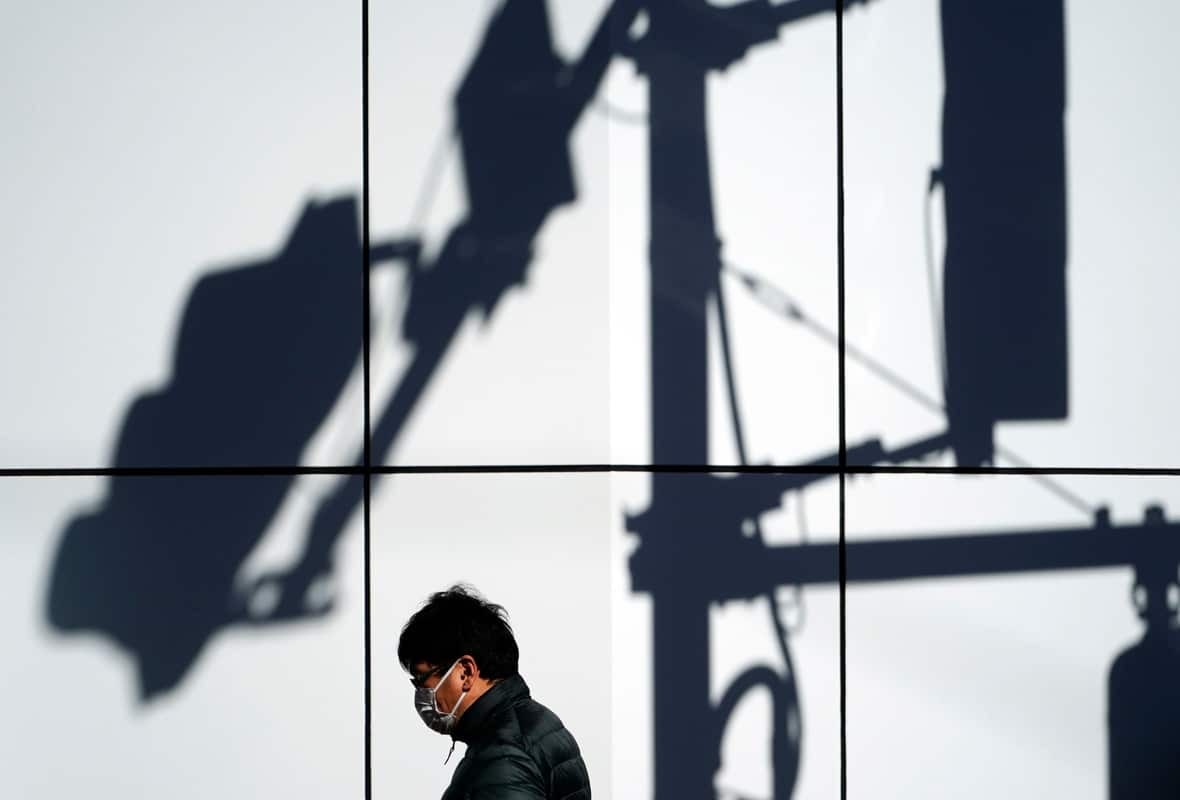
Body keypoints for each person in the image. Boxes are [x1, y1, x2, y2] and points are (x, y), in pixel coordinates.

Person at [398, 585, 591, 799]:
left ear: (465, 672)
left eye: (422, 680)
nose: (421, 694)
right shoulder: (537, 723)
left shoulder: (500, 757)